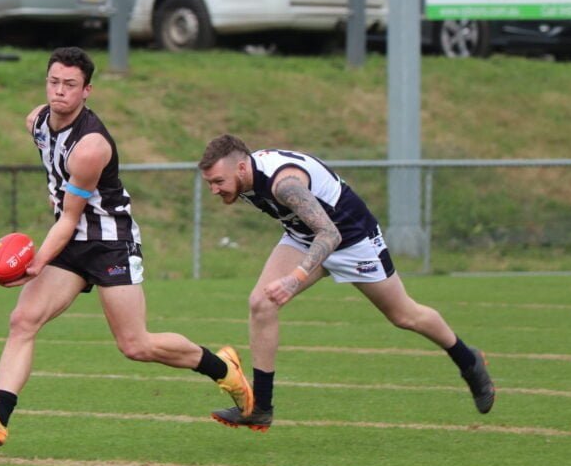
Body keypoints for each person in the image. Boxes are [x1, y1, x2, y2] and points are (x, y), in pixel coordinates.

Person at [0, 47, 255, 449]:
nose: (60, 92)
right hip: (70, 239)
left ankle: (225, 369)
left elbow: (72, 218)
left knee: (136, 345)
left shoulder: (91, 146)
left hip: (109, 243)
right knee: (22, 320)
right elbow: (57, 188)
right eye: (54, 82)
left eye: (70, 85)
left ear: (87, 90)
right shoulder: (37, 121)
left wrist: (37, 261)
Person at [196, 134, 496, 431]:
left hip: (351, 239)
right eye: (210, 183)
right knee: (261, 303)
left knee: (404, 315)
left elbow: (330, 234)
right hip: (304, 236)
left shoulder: (284, 184)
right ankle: (261, 408)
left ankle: (468, 361)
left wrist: (294, 279)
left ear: (241, 168)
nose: (214, 189)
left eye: (218, 181)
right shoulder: (244, 175)